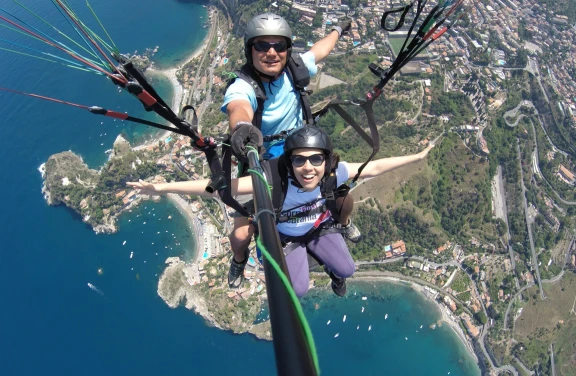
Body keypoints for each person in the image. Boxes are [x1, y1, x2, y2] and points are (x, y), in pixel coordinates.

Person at [127, 126, 435, 298]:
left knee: (348, 270)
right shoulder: (272, 182)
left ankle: (334, 272)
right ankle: (249, 261)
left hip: (318, 228)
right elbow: (217, 186)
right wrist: (161, 188)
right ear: (289, 163)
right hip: (286, 238)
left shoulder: (333, 174)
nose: (308, 168)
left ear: (326, 161)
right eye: (299, 161)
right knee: (297, 291)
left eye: (316, 160)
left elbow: (376, 167)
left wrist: (418, 156)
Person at [223, 13, 360, 289]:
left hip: (301, 149)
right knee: (240, 234)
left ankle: (337, 235)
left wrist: (338, 30)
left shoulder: (294, 69)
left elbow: (319, 51)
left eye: (279, 46)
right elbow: (239, 106)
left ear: (287, 49)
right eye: (262, 46)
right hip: (262, 159)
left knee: (341, 197)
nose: (271, 52)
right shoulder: (244, 85)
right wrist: (241, 128)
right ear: (250, 50)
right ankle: (239, 261)